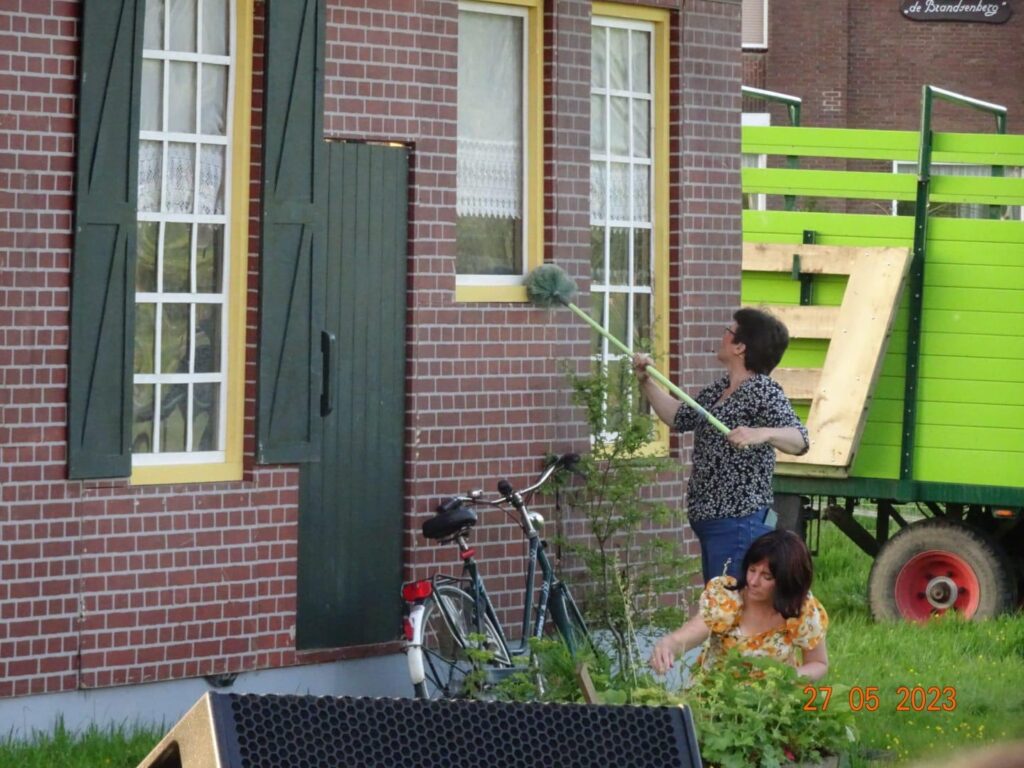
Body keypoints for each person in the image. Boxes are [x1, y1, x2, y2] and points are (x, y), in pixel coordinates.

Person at [632, 307, 809, 584]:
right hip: (712, 522)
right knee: (718, 602)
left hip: (738, 523)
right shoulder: (721, 389)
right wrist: (646, 381)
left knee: (727, 603)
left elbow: (800, 440)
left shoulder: (762, 390)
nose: (722, 336)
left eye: (729, 331)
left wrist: (760, 433)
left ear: (740, 347)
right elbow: (678, 417)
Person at [650, 530, 829, 680]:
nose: (753, 581)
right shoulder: (727, 599)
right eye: (752, 570)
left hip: (771, 702)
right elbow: (693, 632)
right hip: (714, 699)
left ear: (787, 581)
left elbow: (818, 663)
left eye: (766, 577)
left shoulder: (800, 609)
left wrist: (787, 679)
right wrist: (668, 645)